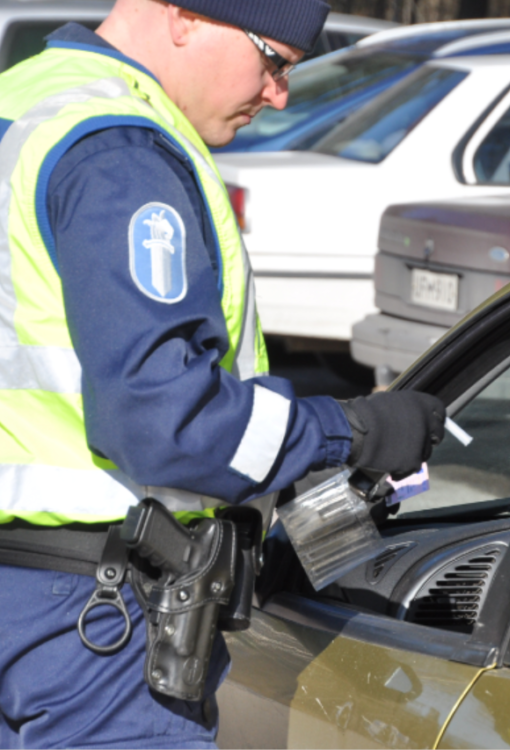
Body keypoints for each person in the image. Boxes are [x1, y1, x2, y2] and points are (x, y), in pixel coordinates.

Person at [0, 1, 445, 746]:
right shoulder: (119, 152)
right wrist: (353, 429)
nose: (279, 94)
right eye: (273, 59)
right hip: (92, 623)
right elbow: (165, 422)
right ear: (183, 16)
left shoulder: (23, 103)